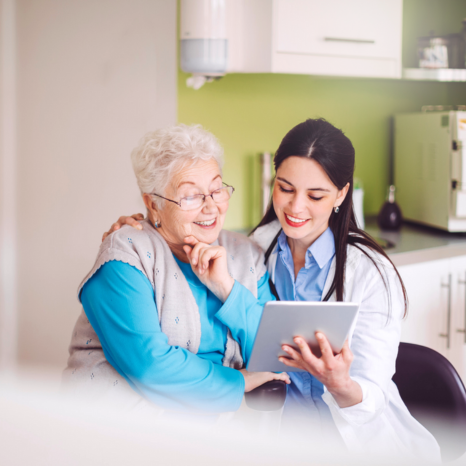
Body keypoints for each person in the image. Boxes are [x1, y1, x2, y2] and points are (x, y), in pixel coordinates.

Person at [111, 119, 440, 461]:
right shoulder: (256, 249)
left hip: (355, 445)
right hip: (280, 438)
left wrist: (342, 385)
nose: (296, 208)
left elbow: (372, 401)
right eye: (285, 188)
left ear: (341, 194)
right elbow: (250, 345)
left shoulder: (372, 274)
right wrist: (145, 227)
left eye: (316, 195)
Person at [63, 124, 289, 414]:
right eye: (191, 196)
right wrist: (237, 381)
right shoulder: (125, 255)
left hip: (197, 436)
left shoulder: (246, 254)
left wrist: (227, 288)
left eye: (216, 189)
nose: (211, 207)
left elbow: (275, 351)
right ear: (153, 204)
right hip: (114, 430)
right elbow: (148, 365)